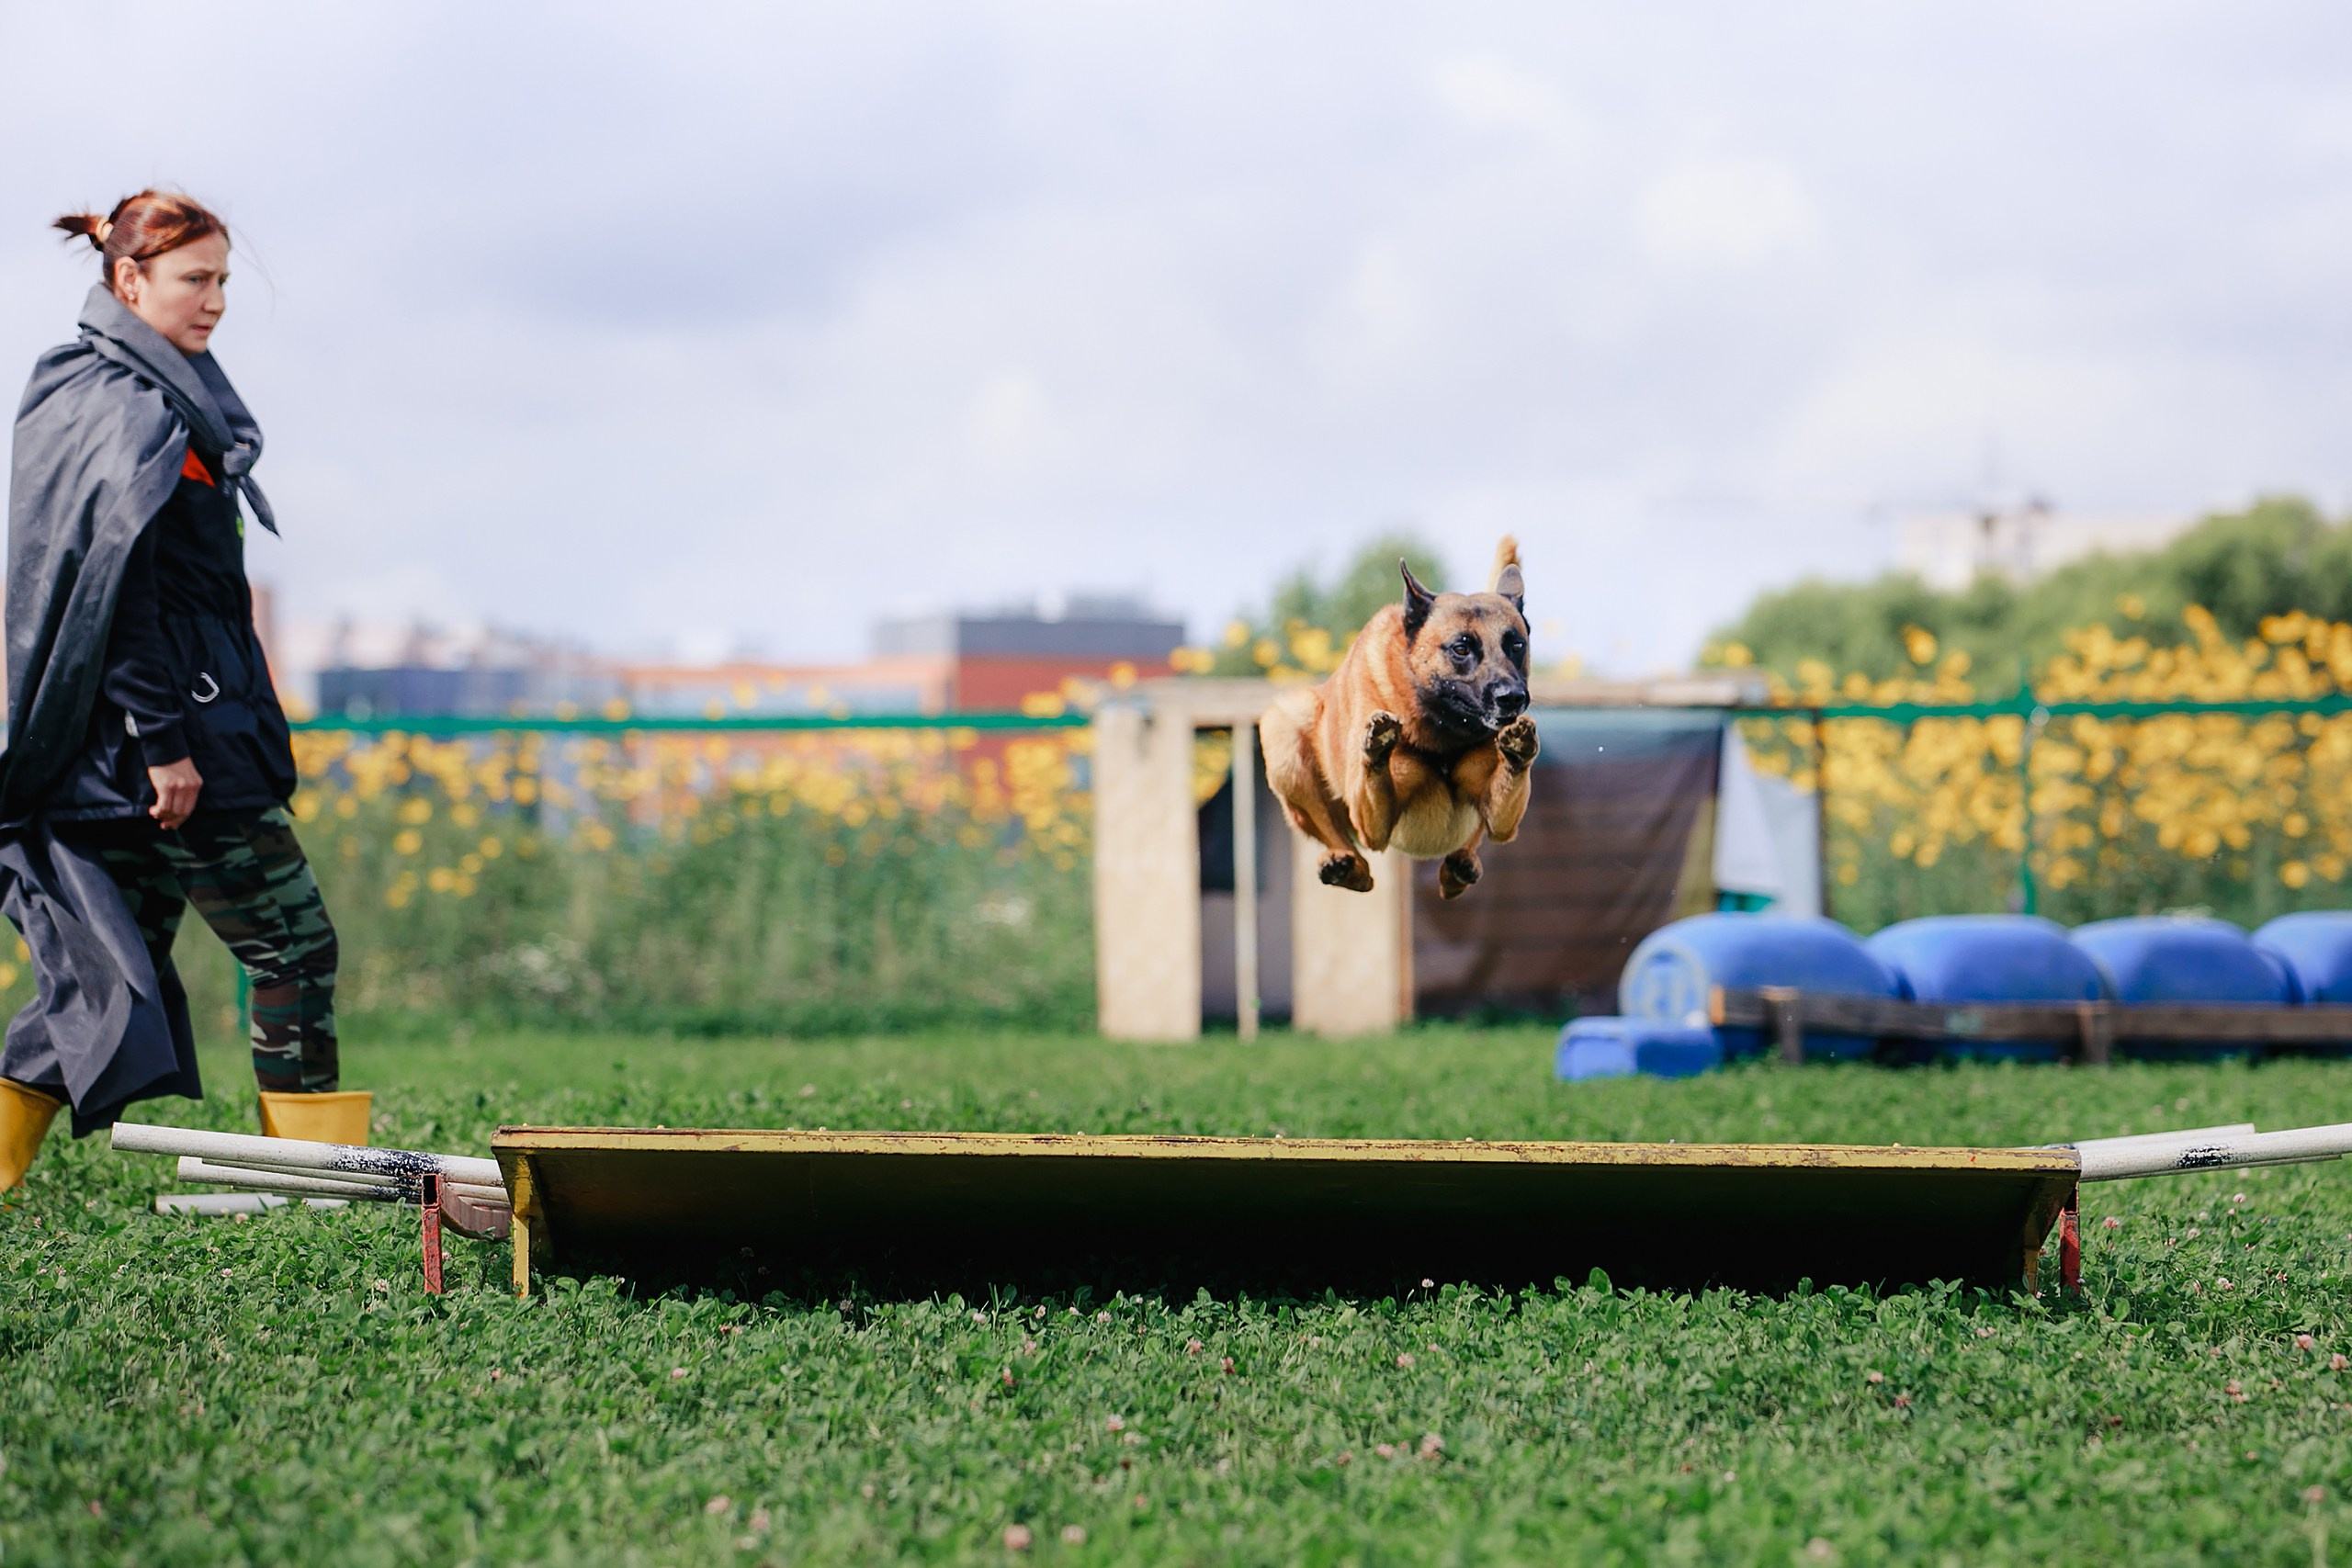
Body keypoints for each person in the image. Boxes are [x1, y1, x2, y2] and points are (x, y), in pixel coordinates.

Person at [0, 189, 359, 1190]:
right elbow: (117, 596)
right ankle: (304, 1181)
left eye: (223, 280)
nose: (216, 301)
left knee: (111, 970)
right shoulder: (130, 408)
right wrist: (166, 746)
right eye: (195, 279)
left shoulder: (123, 396)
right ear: (130, 280)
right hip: (175, 749)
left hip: (126, 752)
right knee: (294, 947)